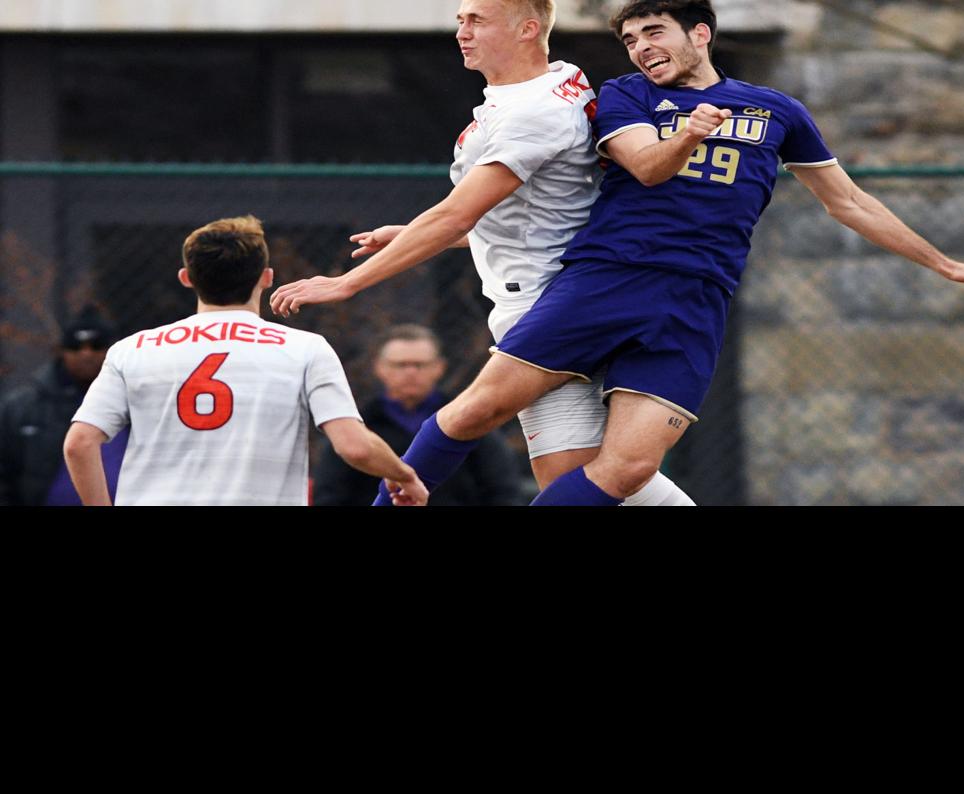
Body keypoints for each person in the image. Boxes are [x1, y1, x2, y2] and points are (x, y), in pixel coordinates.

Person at [278, 0, 964, 507]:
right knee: (475, 410)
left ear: (702, 32)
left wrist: (947, 263)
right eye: (632, 39)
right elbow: (645, 167)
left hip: (697, 300)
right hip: (609, 280)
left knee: (631, 470)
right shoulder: (626, 98)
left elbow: (848, 202)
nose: (643, 49)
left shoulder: (775, 111)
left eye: (656, 32)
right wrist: (689, 133)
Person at [270, 0, 694, 506]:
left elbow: (456, 214)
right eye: (460, 21)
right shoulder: (559, 82)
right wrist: (411, 234)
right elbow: (537, 212)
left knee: (466, 420)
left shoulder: (533, 111)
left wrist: (346, 283)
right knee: (587, 485)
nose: (462, 32)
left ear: (528, 29)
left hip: (546, 308)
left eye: (477, 21)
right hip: (568, 295)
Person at [63, 216, 427, 506]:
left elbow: (79, 444)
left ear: (187, 279)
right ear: (266, 278)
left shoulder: (134, 349)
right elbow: (354, 446)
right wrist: (403, 474)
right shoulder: (304, 348)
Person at [312, 325, 525, 506]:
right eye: (401, 365)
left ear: (439, 368)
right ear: (380, 368)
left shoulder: (467, 420)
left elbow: (503, 490)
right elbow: (330, 494)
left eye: (420, 365)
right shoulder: (358, 425)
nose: (411, 372)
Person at [0, 315, 129, 505]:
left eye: (96, 345)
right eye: (75, 347)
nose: (86, 354)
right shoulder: (23, 407)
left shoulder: (135, 400)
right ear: (61, 352)